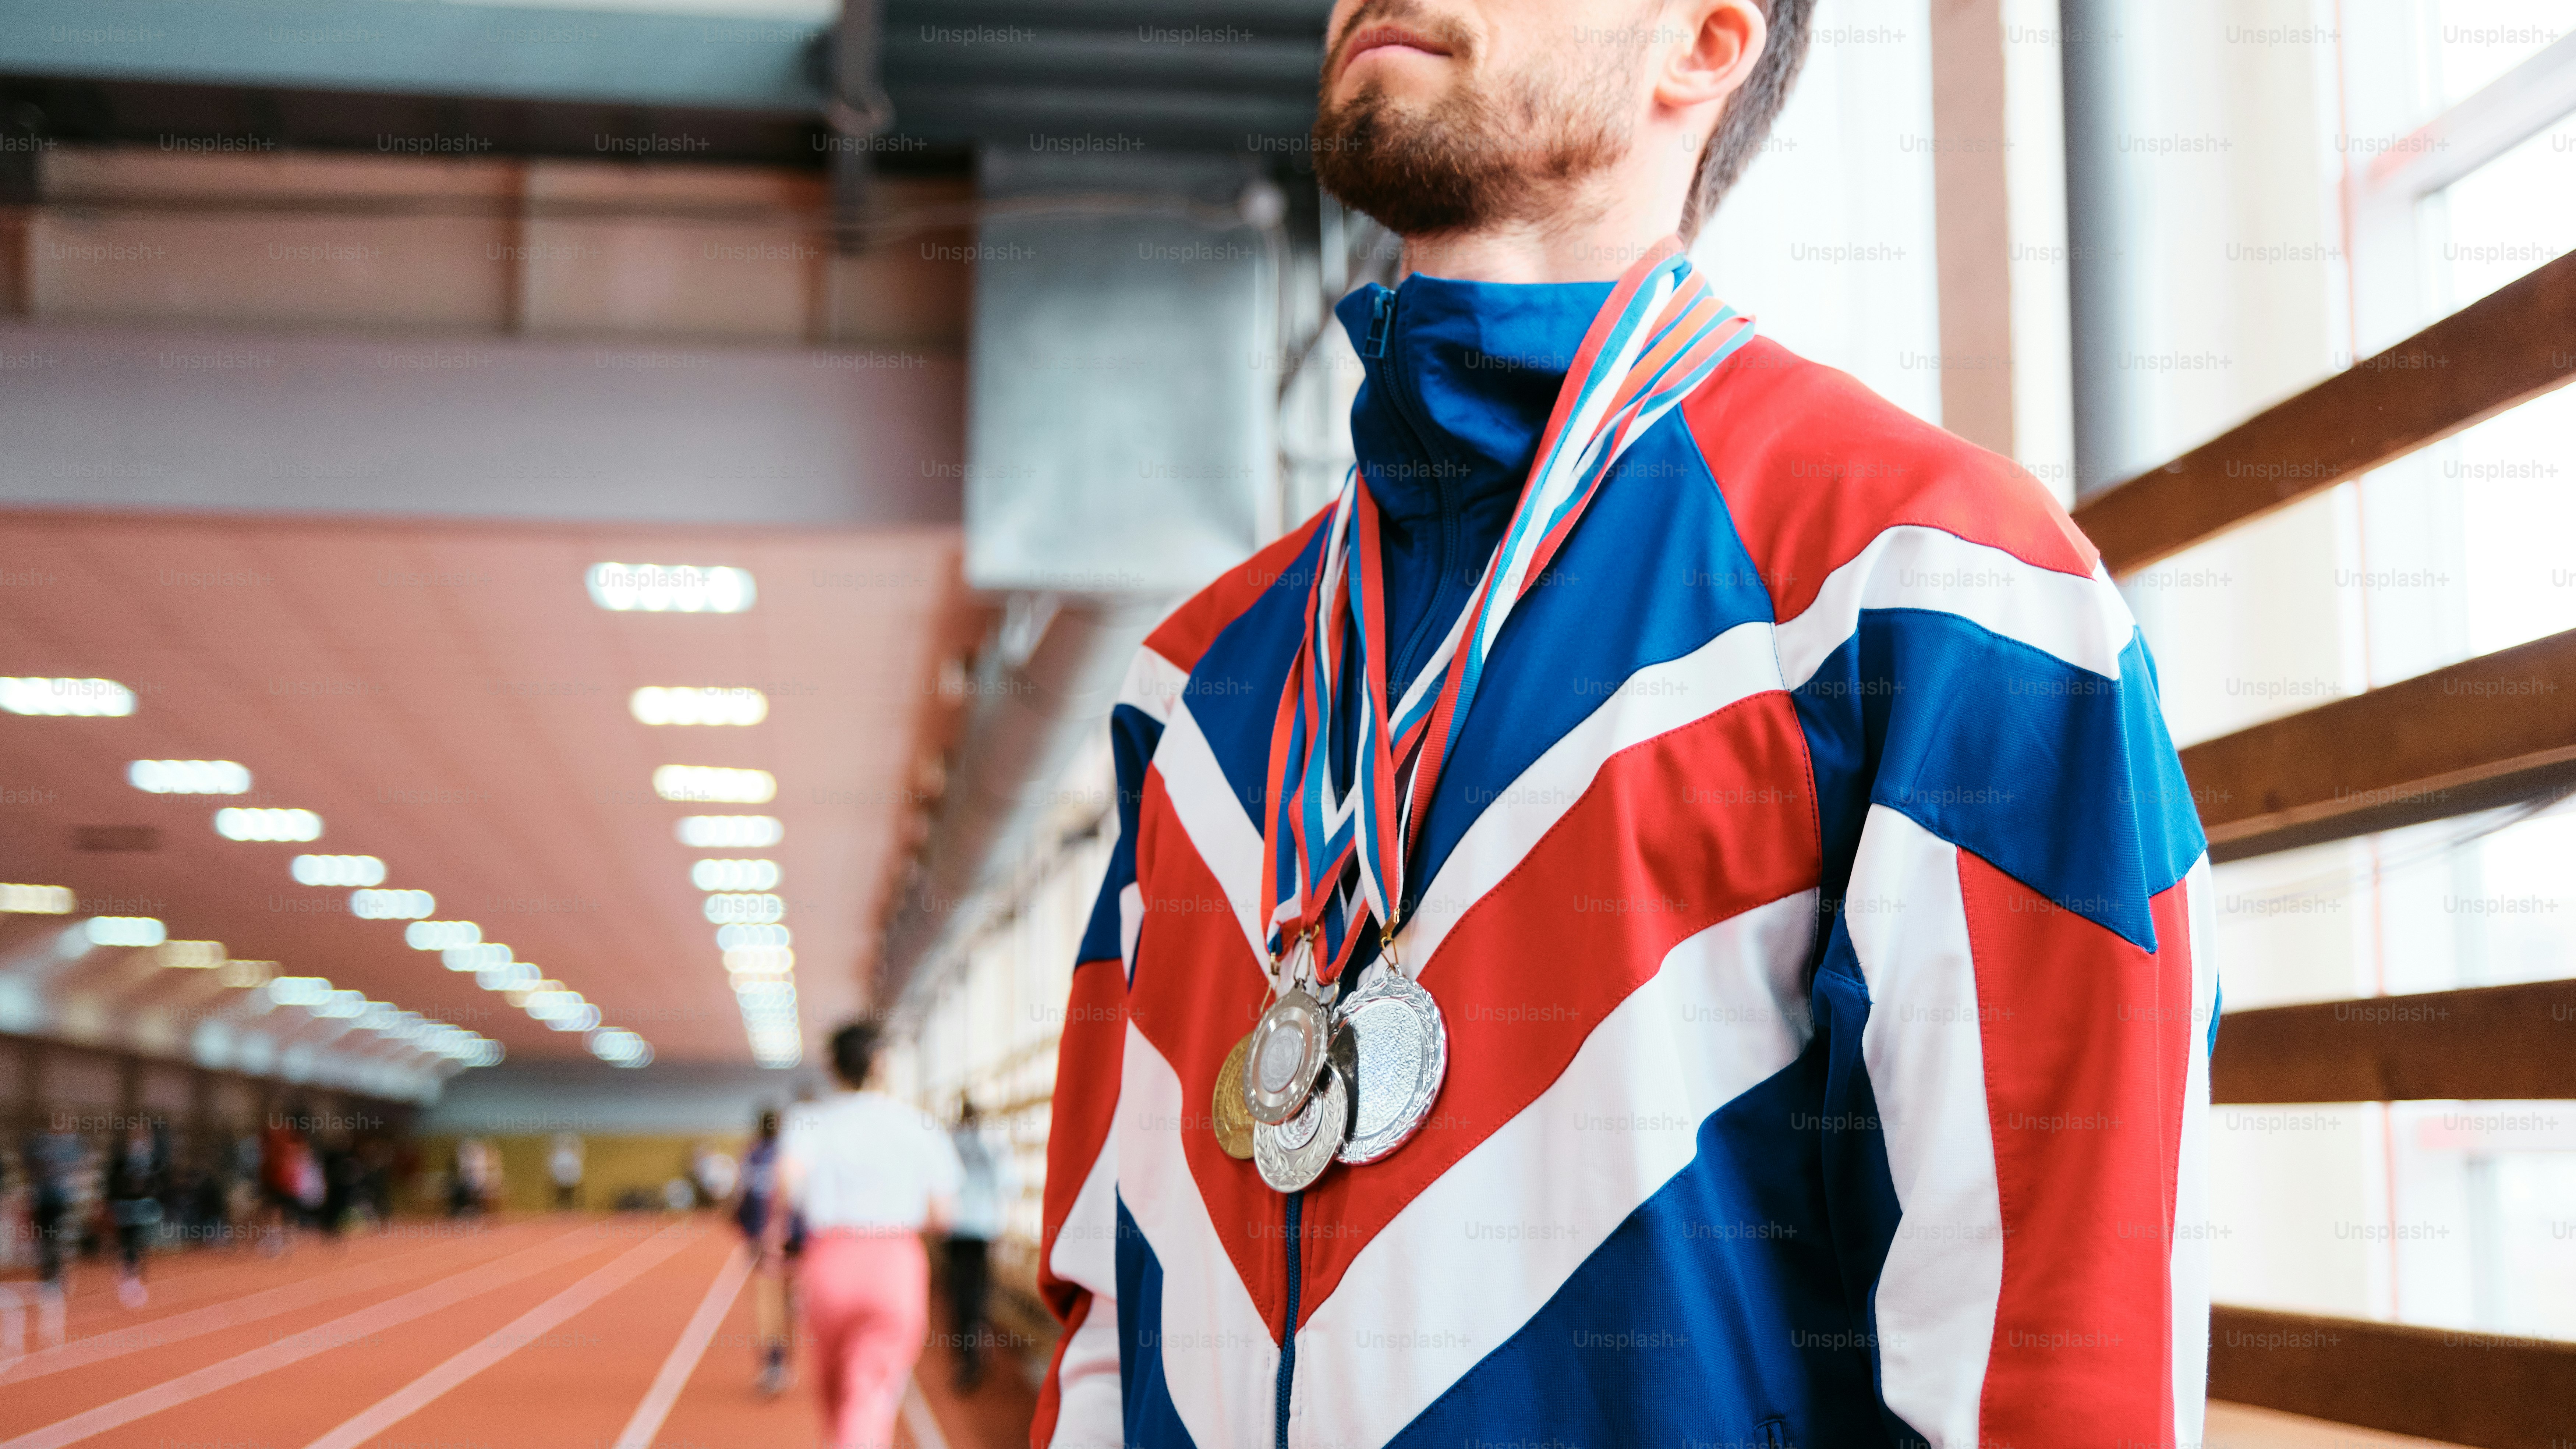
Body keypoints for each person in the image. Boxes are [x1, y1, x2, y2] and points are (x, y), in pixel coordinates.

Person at [1031, 3, 2215, 1448]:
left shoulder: (1933, 593)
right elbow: (1105, 1311)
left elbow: (2056, 1365)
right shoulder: (1194, 684)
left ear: (1704, 44)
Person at [775, 1022, 960, 1449]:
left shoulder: (808, 1122)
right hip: (894, 1263)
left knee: (834, 1390)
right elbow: (944, 1215)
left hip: (830, 1261)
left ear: (832, 1067)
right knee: (870, 1395)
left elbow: (787, 1187)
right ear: (883, 1065)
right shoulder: (918, 1123)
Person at [943, 1097, 1014, 1392]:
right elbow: (1009, 1184)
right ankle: (978, 1341)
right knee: (979, 1291)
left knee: (959, 1293)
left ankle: (967, 1354)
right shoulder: (994, 1142)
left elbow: (941, 1183)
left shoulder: (951, 1141)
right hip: (983, 1228)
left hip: (957, 1227)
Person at [732, 1108, 800, 1395]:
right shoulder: (792, 1155)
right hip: (791, 1240)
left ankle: (775, 1361)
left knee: (768, 1299)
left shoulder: (752, 1156)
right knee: (785, 1300)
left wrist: (747, 1231)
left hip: (766, 1239)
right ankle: (780, 1361)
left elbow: (741, 1198)